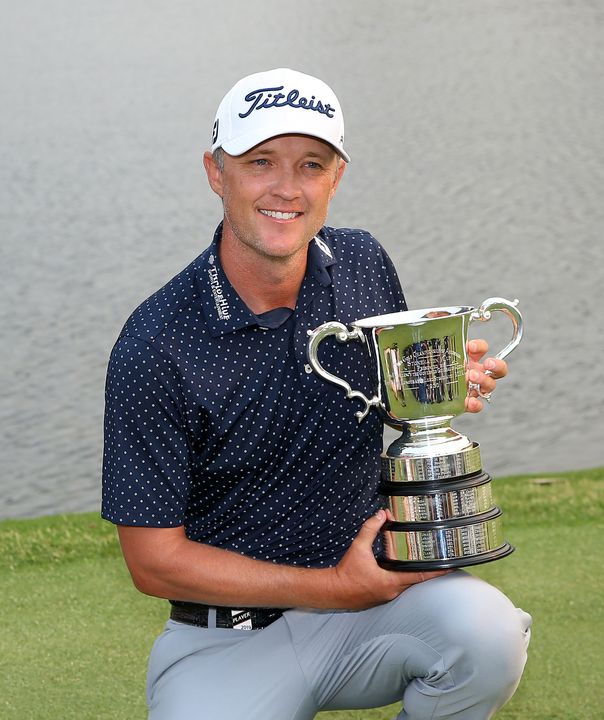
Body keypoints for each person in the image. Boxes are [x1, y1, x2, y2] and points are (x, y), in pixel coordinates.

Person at [101, 68, 531, 720]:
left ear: (336, 178)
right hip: (228, 640)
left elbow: (381, 402)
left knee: (488, 636)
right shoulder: (156, 345)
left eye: (310, 164)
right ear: (216, 172)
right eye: (260, 162)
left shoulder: (361, 261)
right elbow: (154, 563)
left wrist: (436, 384)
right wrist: (334, 588)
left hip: (379, 610)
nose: (286, 187)